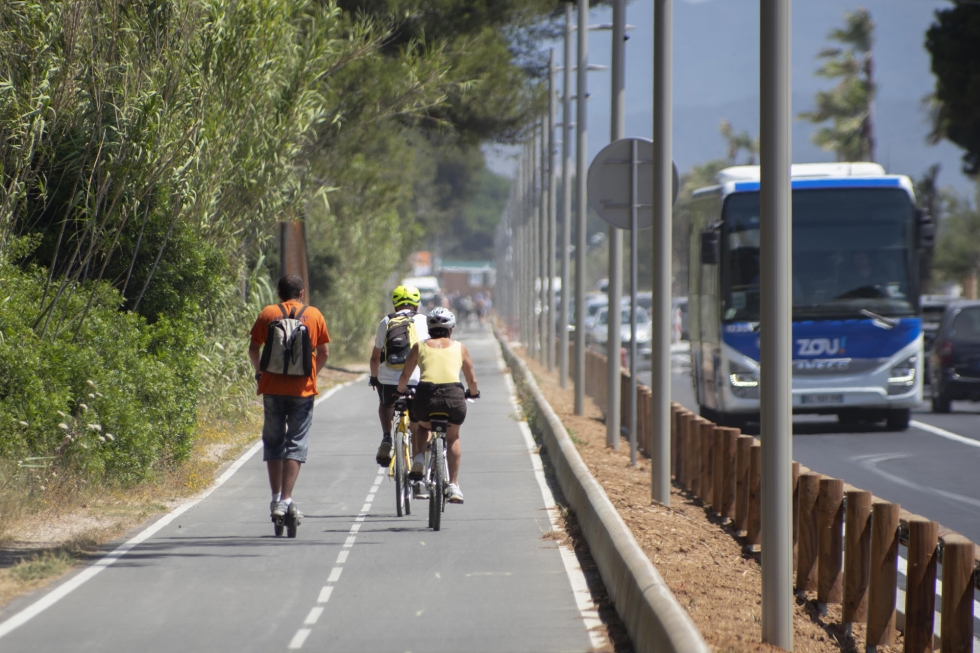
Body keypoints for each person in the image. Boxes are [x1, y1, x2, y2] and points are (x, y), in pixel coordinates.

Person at [248, 274, 330, 524]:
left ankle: (275, 499)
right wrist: (312, 375)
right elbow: (324, 352)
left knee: (273, 442)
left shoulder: (268, 313)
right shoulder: (314, 315)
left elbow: (254, 348)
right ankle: (286, 499)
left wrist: (259, 373)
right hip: (302, 391)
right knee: (296, 442)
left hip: (272, 388)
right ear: (302, 293)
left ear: (279, 293)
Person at [396, 307, 478, 504]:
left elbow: (405, 376)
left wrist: (400, 391)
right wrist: (473, 393)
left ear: (429, 329)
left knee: (423, 426)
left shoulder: (419, 346)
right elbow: (471, 380)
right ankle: (454, 485)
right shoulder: (460, 347)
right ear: (451, 329)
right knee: (453, 437)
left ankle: (419, 460)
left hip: (426, 396)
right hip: (454, 397)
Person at [369, 285, 428, 467]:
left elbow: (375, 358)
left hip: (388, 380)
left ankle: (387, 437)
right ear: (416, 305)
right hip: (416, 380)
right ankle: (418, 458)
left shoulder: (386, 321)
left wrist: (374, 378)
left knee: (385, 404)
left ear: (395, 305)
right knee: (417, 418)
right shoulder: (424, 321)